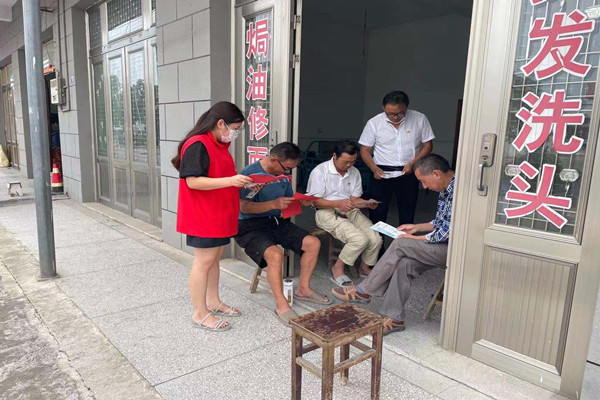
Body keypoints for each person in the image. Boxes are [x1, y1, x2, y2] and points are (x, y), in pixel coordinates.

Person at [331, 154, 454, 335]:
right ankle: (395, 318)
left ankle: (365, 290)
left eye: (424, 181)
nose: (425, 187)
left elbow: (448, 232)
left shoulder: (460, 191)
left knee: (400, 243)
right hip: (443, 246)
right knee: (404, 264)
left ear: (436, 173)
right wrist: (417, 227)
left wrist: (413, 238)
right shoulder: (445, 188)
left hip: (456, 250)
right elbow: (441, 222)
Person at [172, 101, 253, 332]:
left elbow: (220, 177)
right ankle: (199, 313)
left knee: (215, 258)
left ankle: (213, 301)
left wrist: (240, 182)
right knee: (203, 262)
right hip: (203, 214)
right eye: (234, 128)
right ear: (220, 124)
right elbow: (193, 181)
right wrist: (231, 180)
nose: (235, 133)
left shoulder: (219, 145)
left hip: (219, 213)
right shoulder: (198, 144)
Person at [235, 142, 332, 327]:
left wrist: (299, 201)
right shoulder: (249, 175)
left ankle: (303, 289)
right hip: (249, 226)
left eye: (292, 169)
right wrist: (273, 204)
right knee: (275, 255)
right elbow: (244, 207)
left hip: (276, 221)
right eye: (286, 168)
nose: (288, 173)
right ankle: (281, 304)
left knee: (313, 243)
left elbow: (286, 201)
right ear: (273, 160)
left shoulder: (283, 176)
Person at [306, 141, 382, 287]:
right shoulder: (320, 171)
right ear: (334, 156)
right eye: (345, 161)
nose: (349, 165)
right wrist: (337, 203)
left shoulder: (354, 172)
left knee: (375, 238)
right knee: (359, 239)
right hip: (325, 211)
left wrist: (366, 203)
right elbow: (315, 202)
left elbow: (354, 199)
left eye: (352, 162)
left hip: (349, 209)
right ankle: (338, 268)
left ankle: (364, 267)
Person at [359, 90, 434, 230]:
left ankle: (404, 242)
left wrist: (412, 163)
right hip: (381, 172)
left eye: (399, 113)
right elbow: (365, 150)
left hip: (409, 171)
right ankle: (378, 243)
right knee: (377, 212)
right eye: (390, 113)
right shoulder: (374, 123)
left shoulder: (419, 119)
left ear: (406, 107)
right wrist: (374, 168)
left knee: (407, 211)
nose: (395, 117)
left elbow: (427, 145)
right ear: (383, 108)